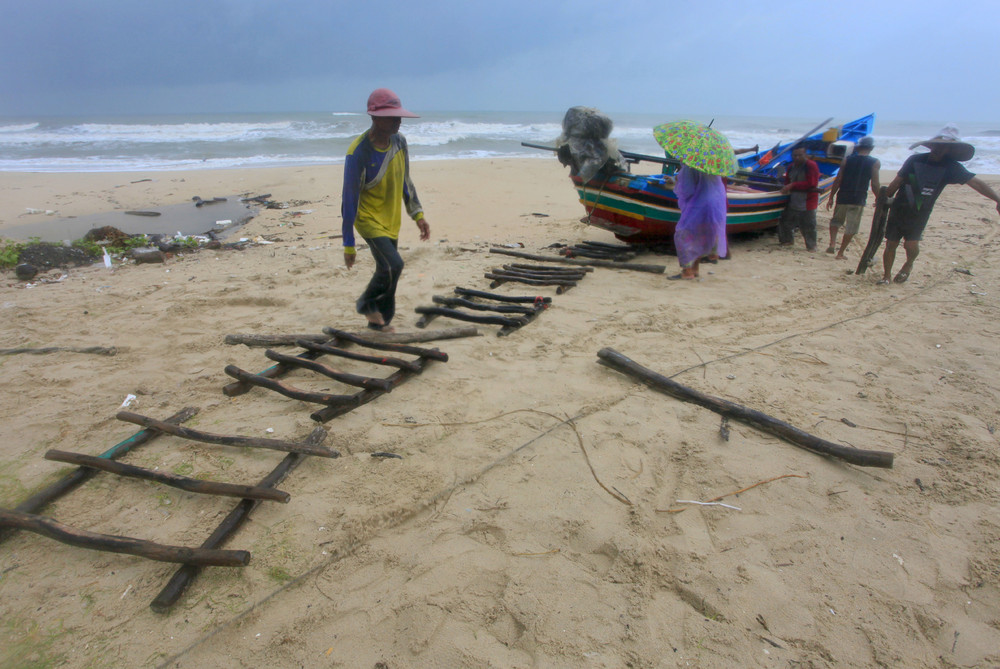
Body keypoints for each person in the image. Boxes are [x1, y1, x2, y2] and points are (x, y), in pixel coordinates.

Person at [342, 88, 430, 331]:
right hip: (367, 219)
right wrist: (348, 244)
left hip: (391, 218)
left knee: (388, 270)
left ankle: (380, 324)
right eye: (392, 117)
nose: (398, 122)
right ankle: (365, 304)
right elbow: (348, 201)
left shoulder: (399, 143)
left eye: (399, 116)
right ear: (374, 118)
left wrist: (417, 215)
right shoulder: (358, 152)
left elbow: (406, 180)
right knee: (394, 264)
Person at [880, 125, 1000, 285]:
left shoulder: (951, 167)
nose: (938, 150)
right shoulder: (914, 160)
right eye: (936, 146)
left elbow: (976, 183)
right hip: (899, 208)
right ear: (931, 146)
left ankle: (908, 264)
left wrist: (997, 199)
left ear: (949, 151)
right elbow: (897, 181)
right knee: (891, 244)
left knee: (911, 244)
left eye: (943, 148)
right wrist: (883, 199)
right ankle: (886, 276)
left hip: (920, 212)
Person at [667, 166, 728, 280]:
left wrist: (676, 182)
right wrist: (676, 178)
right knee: (700, 235)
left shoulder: (690, 164)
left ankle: (687, 271)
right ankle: (695, 269)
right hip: (716, 203)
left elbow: (687, 189)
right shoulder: (711, 161)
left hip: (700, 203)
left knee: (682, 234)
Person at [826, 136, 880, 258]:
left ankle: (833, 243)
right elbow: (875, 184)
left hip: (843, 195)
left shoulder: (847, 160)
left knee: (836, 221)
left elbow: (838, 179)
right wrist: (878, 197)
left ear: (858, 147)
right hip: (858, 198)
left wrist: (831, 196)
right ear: (871, 148)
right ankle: (840, 253)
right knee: (852, 226)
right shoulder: (874, 162)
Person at [778, 147, 820, 251]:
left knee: (808, 225)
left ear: (805, 155)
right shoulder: (791, 167)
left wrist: (793, 185)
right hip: (793, 199)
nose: (797, 158)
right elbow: (787, 182)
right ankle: (787, 241)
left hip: (807, 200)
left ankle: (811, 246)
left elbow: (812, 184)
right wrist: (787, 187)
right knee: (785, 221)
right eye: (794, 155)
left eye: (800, 155)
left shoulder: (811, 165)